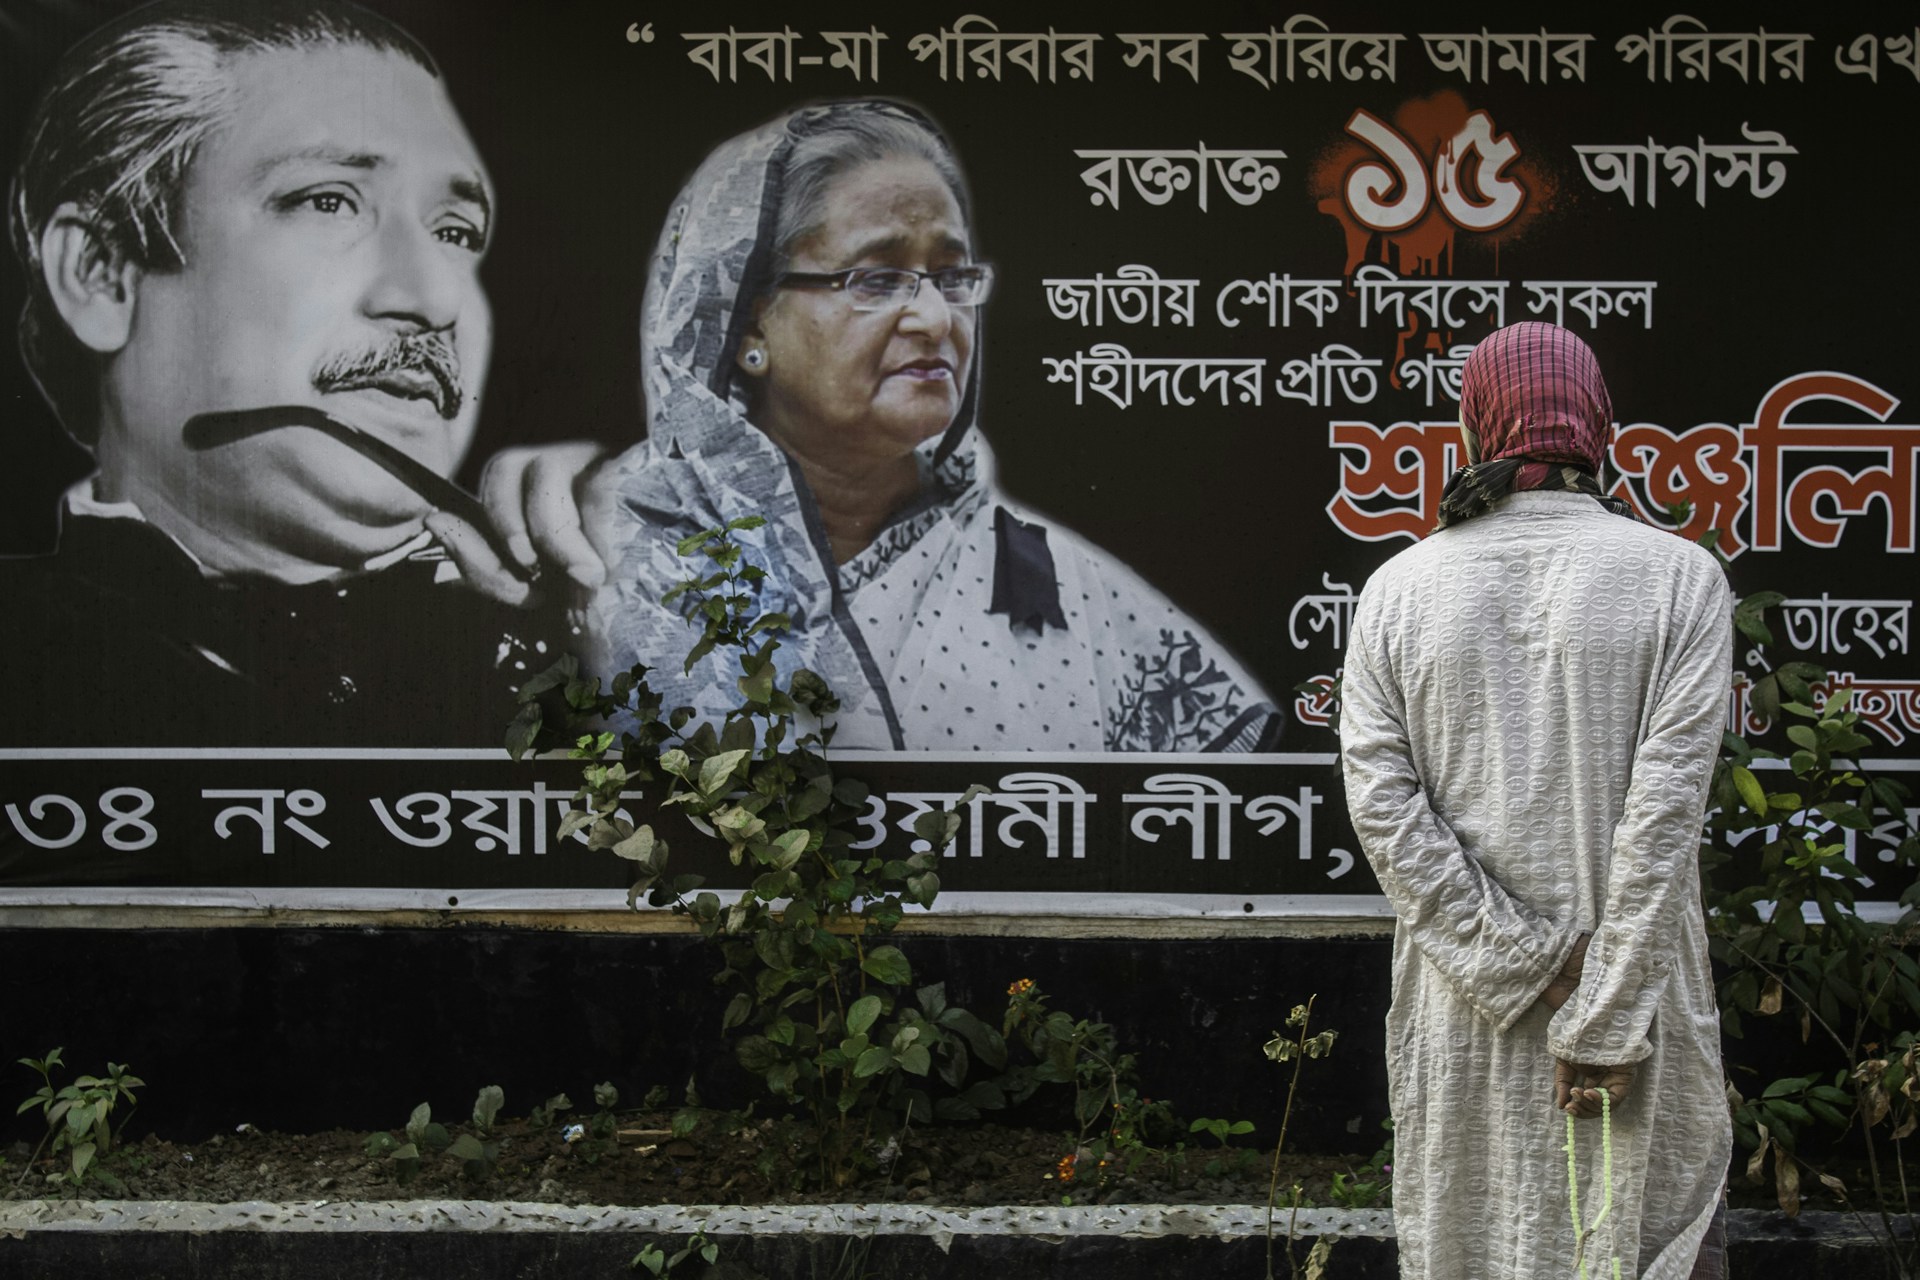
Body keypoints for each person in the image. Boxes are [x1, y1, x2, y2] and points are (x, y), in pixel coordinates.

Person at [588, 100, 1278, 752]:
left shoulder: (1061, 586)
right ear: (747, 322)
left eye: (952, 278)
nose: (936, 320)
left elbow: (1218, 836)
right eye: (877, 279)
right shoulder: (609, 548)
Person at [2, 0, 597, 746]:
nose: (434, 299)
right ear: (101, 273)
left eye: (455, 233)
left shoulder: (591, 634)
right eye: (328, 202)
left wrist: (641, 614)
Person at [1339, 323, 1731, 1278]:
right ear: (1597, 424)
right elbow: (1663, 819)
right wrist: (1604, 1010)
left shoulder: (1396, 590)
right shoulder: (1682, 579)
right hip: (1636, 1006)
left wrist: (1537, 970)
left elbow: (1386, 817)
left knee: (1476, 1241)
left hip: (1470, 1013)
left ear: (1477, 425)